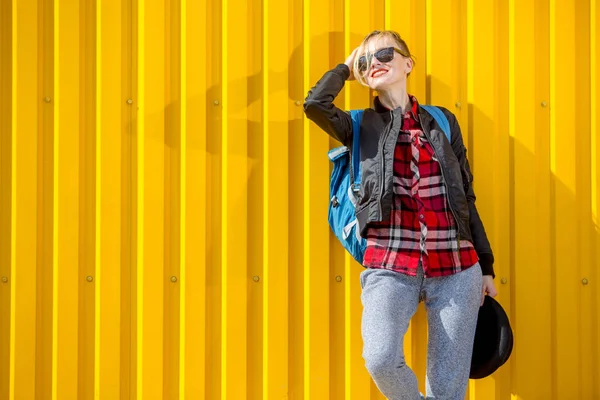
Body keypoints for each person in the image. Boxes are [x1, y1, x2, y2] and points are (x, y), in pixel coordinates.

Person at [303, 30, 498, 400]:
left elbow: (465, 198)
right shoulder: (359, 125)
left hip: (457, 265)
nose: (375, 63)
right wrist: (346, 68)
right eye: (366, 61)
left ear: (408, 63)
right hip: (390, 263)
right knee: (379, 357)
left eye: (385, 54)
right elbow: (315, 105)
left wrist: (485, 265)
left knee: (447, 386)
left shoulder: (443, 121)